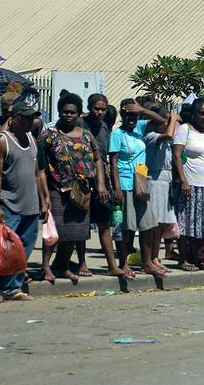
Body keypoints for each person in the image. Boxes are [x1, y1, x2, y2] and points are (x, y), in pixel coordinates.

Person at [37, 93, 109, 282]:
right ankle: (45, 267)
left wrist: (100, 184)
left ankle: (62, 266)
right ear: (60, 112)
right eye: (65, 112)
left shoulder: (86, 134)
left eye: (73, 112)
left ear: (78, 114)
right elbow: (40, 167)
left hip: (82, 191)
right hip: (56, 189)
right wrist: (44, 195)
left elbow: (97, 159)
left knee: (73, 232)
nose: (69, 115)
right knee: (53, 232)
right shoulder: (49, 135)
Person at [0, 102, 49, 302]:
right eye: (27, 117)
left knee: (24, 248)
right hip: (9, 204)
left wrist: (43, 200)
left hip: (30, 205)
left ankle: (14, 287)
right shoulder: (2, 141)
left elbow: (37, 174)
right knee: (3, 249)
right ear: (15, 118)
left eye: (32, 118)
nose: (31, 121)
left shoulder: (32, 139)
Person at [109, 99, 168, 278]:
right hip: (126, 184)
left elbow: (162, 121)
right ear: (122, 115)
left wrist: (142, 109)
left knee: (147, 224)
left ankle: (147, 262)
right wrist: (117, 188)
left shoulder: (140, 129)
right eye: (128, 114)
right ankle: (123, 263)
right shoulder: (117, 134)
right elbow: (113, 161)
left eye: (134, 114)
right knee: (126, 227)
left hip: (141, 184)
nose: (132, 118)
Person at [77, 94, 124, 278]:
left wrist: (106, 184)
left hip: (102, 182)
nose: (100, 112)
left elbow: (104, 159)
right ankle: (82, 263)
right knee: (83, 225)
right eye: (96, 108)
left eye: (103, 109)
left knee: (104, 224)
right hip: (82, 180)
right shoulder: (80, 124)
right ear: (89, 108)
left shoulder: (105, 127)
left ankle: (112, 265)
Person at [172, 98, 204, 271]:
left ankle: (197, 258)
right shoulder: (185, 130)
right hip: (189, 185)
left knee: (200, 226)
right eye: (201, 113)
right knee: (185, 224)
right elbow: (177, 155)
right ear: (194, 114)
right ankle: (184, 259)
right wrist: (184, 181)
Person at [145, 106, 180, 262]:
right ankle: (152, 257)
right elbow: (169, 134)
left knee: (162, 223)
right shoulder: (151, 136)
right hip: (155, 180)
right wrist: (173, 118)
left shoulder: (167, 141)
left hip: (166, 181)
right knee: (155, 222)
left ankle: (156, 256)